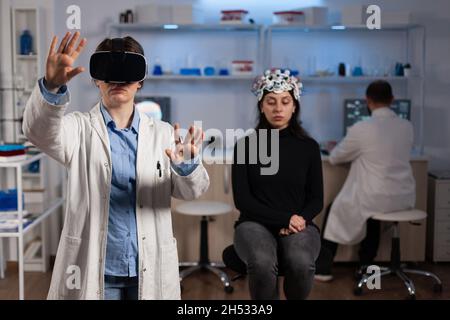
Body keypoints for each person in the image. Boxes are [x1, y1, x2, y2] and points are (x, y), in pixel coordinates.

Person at [22, 32, 210, 300]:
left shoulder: (164, 134)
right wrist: (51, 87)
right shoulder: (78, 129)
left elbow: (191, 192)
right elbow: (37, 131)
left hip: (147, 267)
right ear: (96, 79)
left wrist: (186, 166)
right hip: (95, 269)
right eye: (108, 72)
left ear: (140, 81)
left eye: (127, 72)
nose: (118, 80)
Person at [231, 69, 323, 300]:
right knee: (262, 263)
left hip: (299, 223)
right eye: (271, 102)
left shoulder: (309, 147)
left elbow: (316, 198)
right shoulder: (246, 146)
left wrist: (298, 220)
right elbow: (242, 200)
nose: (278, 108)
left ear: (294, 106)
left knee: (301, 262)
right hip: (253, 224)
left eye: (285, 102)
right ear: (262, 106)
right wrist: (284, 219)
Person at [315, 80, 416, 282]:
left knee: (335, 209)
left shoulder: (362, 128)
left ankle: (323, 269)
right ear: (392, 100)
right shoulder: (407, 126)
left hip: (374, 197)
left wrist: (338, 147)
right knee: (372, 217)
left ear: (367, 101)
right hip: (403, 198)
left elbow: (335, 158)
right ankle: (367, 269)